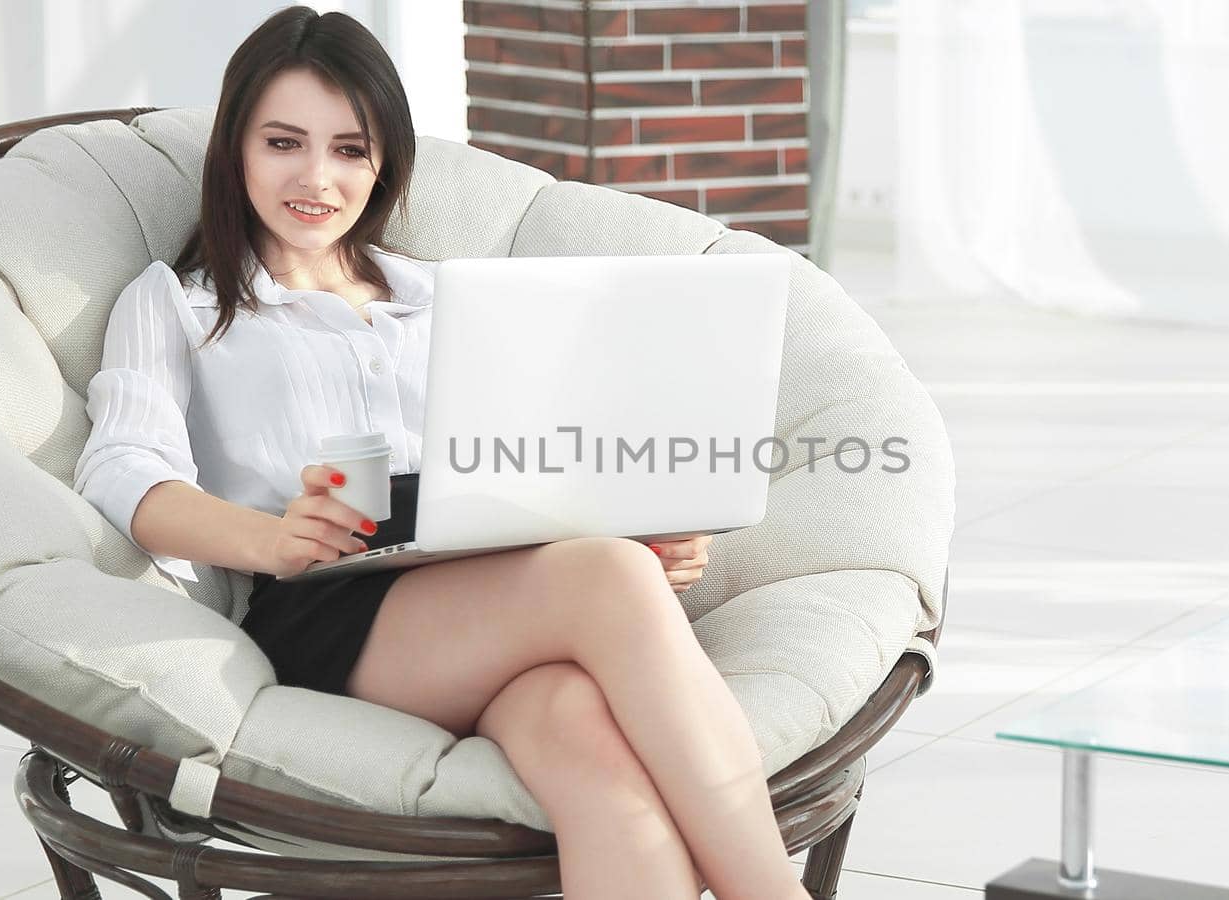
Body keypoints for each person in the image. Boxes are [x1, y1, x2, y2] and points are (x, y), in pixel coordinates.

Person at [72, 7, 811, 899]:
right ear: (235, 148)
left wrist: (648, 527)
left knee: (602, 767)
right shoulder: (182, 304)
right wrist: (275, 540)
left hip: (490, 580)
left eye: (351, 149)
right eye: (283, 143)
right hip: (327, 602)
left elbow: (542, 457)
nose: (317, 177)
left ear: (383, 164)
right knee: (610, 581)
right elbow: (124, 468)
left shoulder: (439, 294)